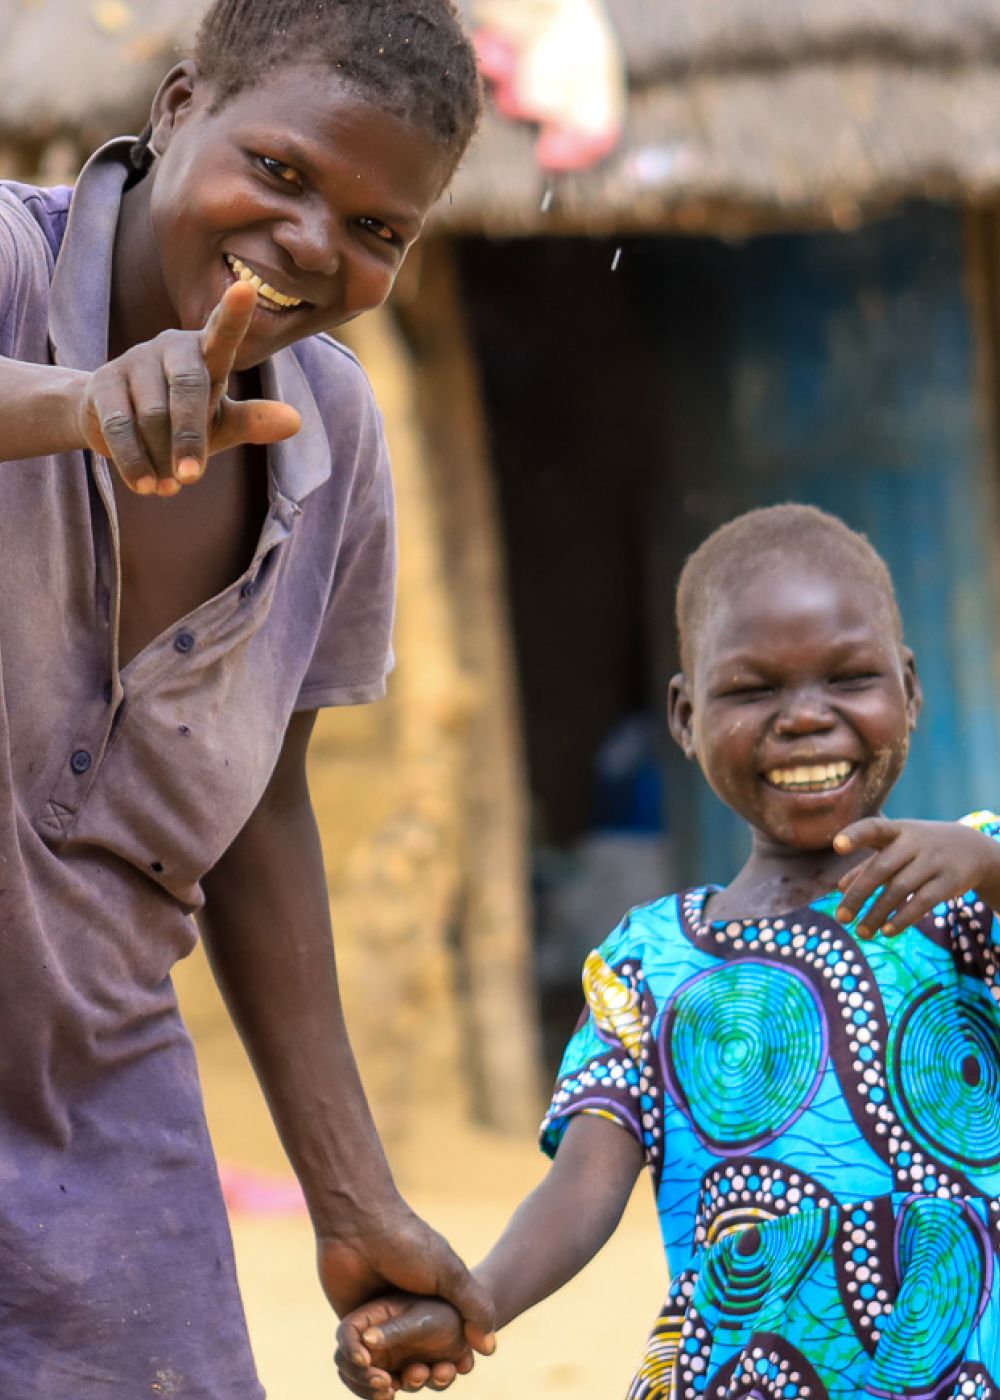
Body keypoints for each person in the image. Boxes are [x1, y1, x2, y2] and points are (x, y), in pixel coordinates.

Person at [0, 2, 497, 1395]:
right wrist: (76, 406)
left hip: (97, 1133)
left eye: (377, 227)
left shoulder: (331, 442)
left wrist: (351, 1194)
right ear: (177, 109)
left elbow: (262, 814)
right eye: (279, 170)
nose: (311, 242)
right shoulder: (11, 262)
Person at [336, 503, 1000, 1399]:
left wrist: (988, 865)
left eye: (849, 678)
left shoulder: (970, 903)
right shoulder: (650, 964)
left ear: (910, 691)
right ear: (686, 717)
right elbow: (582, 1191)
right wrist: (474, 1302)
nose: (806, 717)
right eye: (753, 690)